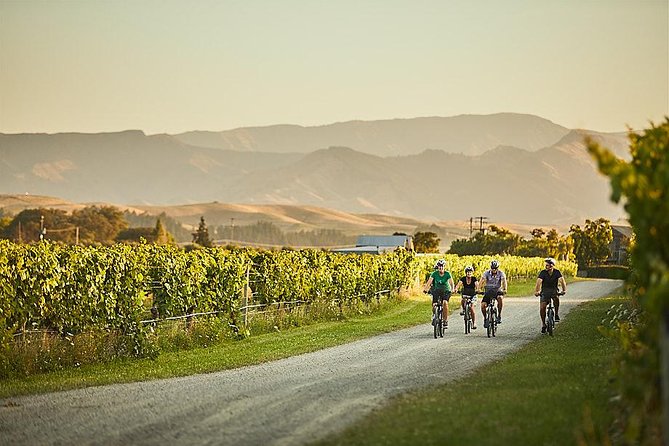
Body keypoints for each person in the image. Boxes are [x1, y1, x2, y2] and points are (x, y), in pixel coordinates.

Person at [533, 257, 567, 333]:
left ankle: (556, 314)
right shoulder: (543, 272)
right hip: (545, 291)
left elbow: (562, 281)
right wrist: (537, 291)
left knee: (556, 299)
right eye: (546, 265)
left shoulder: (557, 272)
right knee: (542, 308)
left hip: (554, 290)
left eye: (547, 265)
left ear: (552, 266)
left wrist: (564, 290)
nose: (546, 266)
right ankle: (543, 324)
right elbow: (539, 282)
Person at [423, 259, 454, 328]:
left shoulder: (447, 273)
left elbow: (451, 282)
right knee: (434, 304)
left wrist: (453, 289)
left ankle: (445, 320)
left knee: (445, 303)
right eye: (439, 266)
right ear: (438, 267)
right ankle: (434, 315)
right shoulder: (434, 273)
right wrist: (425, 289)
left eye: (442, 266)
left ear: (444, 267)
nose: (441, 268)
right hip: (437, 290)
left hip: (446, 291)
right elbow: (429, 282)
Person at [478, 259, 507, 326]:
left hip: (497, 291)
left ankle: (499, 315)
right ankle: (485, 319)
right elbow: (482, 280)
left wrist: (505, 289)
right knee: (483, 305)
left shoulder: (501, 273)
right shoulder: (486, 273)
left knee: (500, 298)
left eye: (495, 268)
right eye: (492, 268)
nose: (494, 270)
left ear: (497, 268)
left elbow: (504, 281)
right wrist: (478, 289)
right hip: (488, 291)